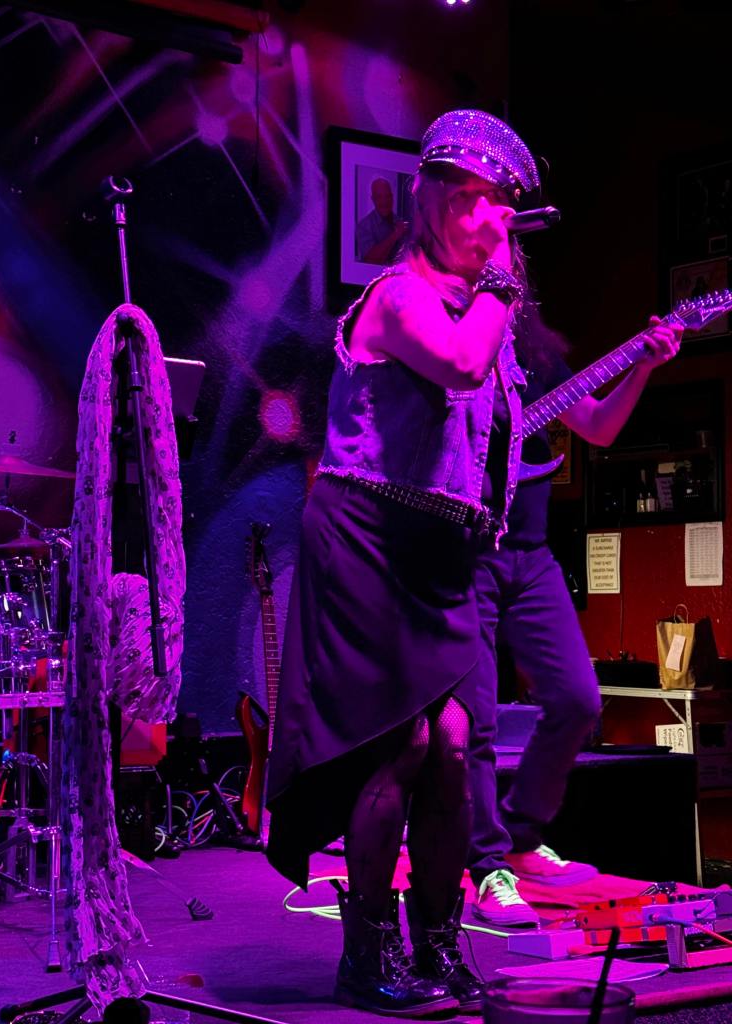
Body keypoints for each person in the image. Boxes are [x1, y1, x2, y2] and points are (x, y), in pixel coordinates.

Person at [266, 109, 539, 1017]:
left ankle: (438, 942)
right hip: (365, 537)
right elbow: (458, 365)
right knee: (404, 742)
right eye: (469, 200)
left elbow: (487, 440)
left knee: (455, 746)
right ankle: (367, 952)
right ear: (430, 202)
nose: (487, 219)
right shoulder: (396, 298)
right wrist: (502, 283)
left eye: (498, 204)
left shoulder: (483, 312)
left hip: (436, 550)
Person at [466, 295, 683, 927]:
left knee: (578, 700)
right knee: (474, 721)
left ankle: (521, 835)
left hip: (530, 553)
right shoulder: (451, 347)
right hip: (467, 551)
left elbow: (598, 427)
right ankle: (487, 866)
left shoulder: (536, 352)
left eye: (506, 255)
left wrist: (642, 366)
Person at [355, 176, 408, 264]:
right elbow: (370, 261)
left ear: (392, 198)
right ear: (373, 199)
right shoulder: (363, 226)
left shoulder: (400, 223)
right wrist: (395, 235)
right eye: (379, 197)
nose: (384, 201)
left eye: (387, 196)